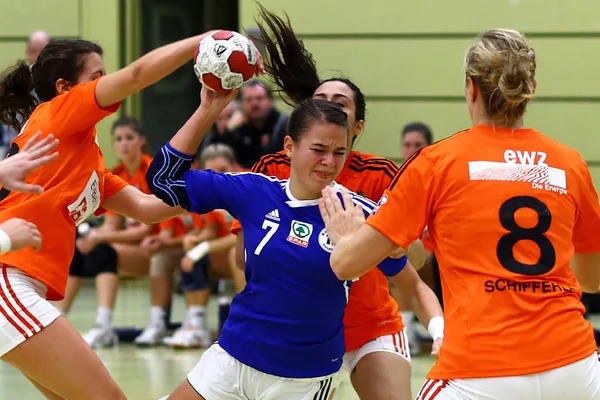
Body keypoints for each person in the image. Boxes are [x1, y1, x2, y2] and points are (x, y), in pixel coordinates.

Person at [321, 29, 600, 400]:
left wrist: (345, 234)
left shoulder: (436, 163)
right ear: (529, 87)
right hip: (574, 367)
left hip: (479, 371)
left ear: (471, 87)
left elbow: (347, 265)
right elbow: (592, 280)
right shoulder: (570, 164)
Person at [0, 31, 262, 399]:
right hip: (7, 281)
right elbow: (137, 75)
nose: (106, 82)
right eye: (97, 76)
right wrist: (204, 41)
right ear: (65, 87)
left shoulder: (86, 158)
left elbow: (149, 208)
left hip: (23, 287)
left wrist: (210, 117)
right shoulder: (57, 114)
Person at [229, 7, 444, 400]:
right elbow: (243, 258)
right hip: (292, 331)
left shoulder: (380, 176)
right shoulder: (272, 170)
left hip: (368, 329)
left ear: (357, 126)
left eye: (340, 103)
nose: (329, 107)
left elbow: (412, 263)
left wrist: (382, 239)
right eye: (320, 100)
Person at [147, 83, 411, 400]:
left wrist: (384, 241)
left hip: (301, 381)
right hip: (230, 361)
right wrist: (209, 109)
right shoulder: (254, 190)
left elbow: (404, 258)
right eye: (318, 150)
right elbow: (163, 178)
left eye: (339, 152)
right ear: (288, 146)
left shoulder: (354, 212)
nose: (330, 162)